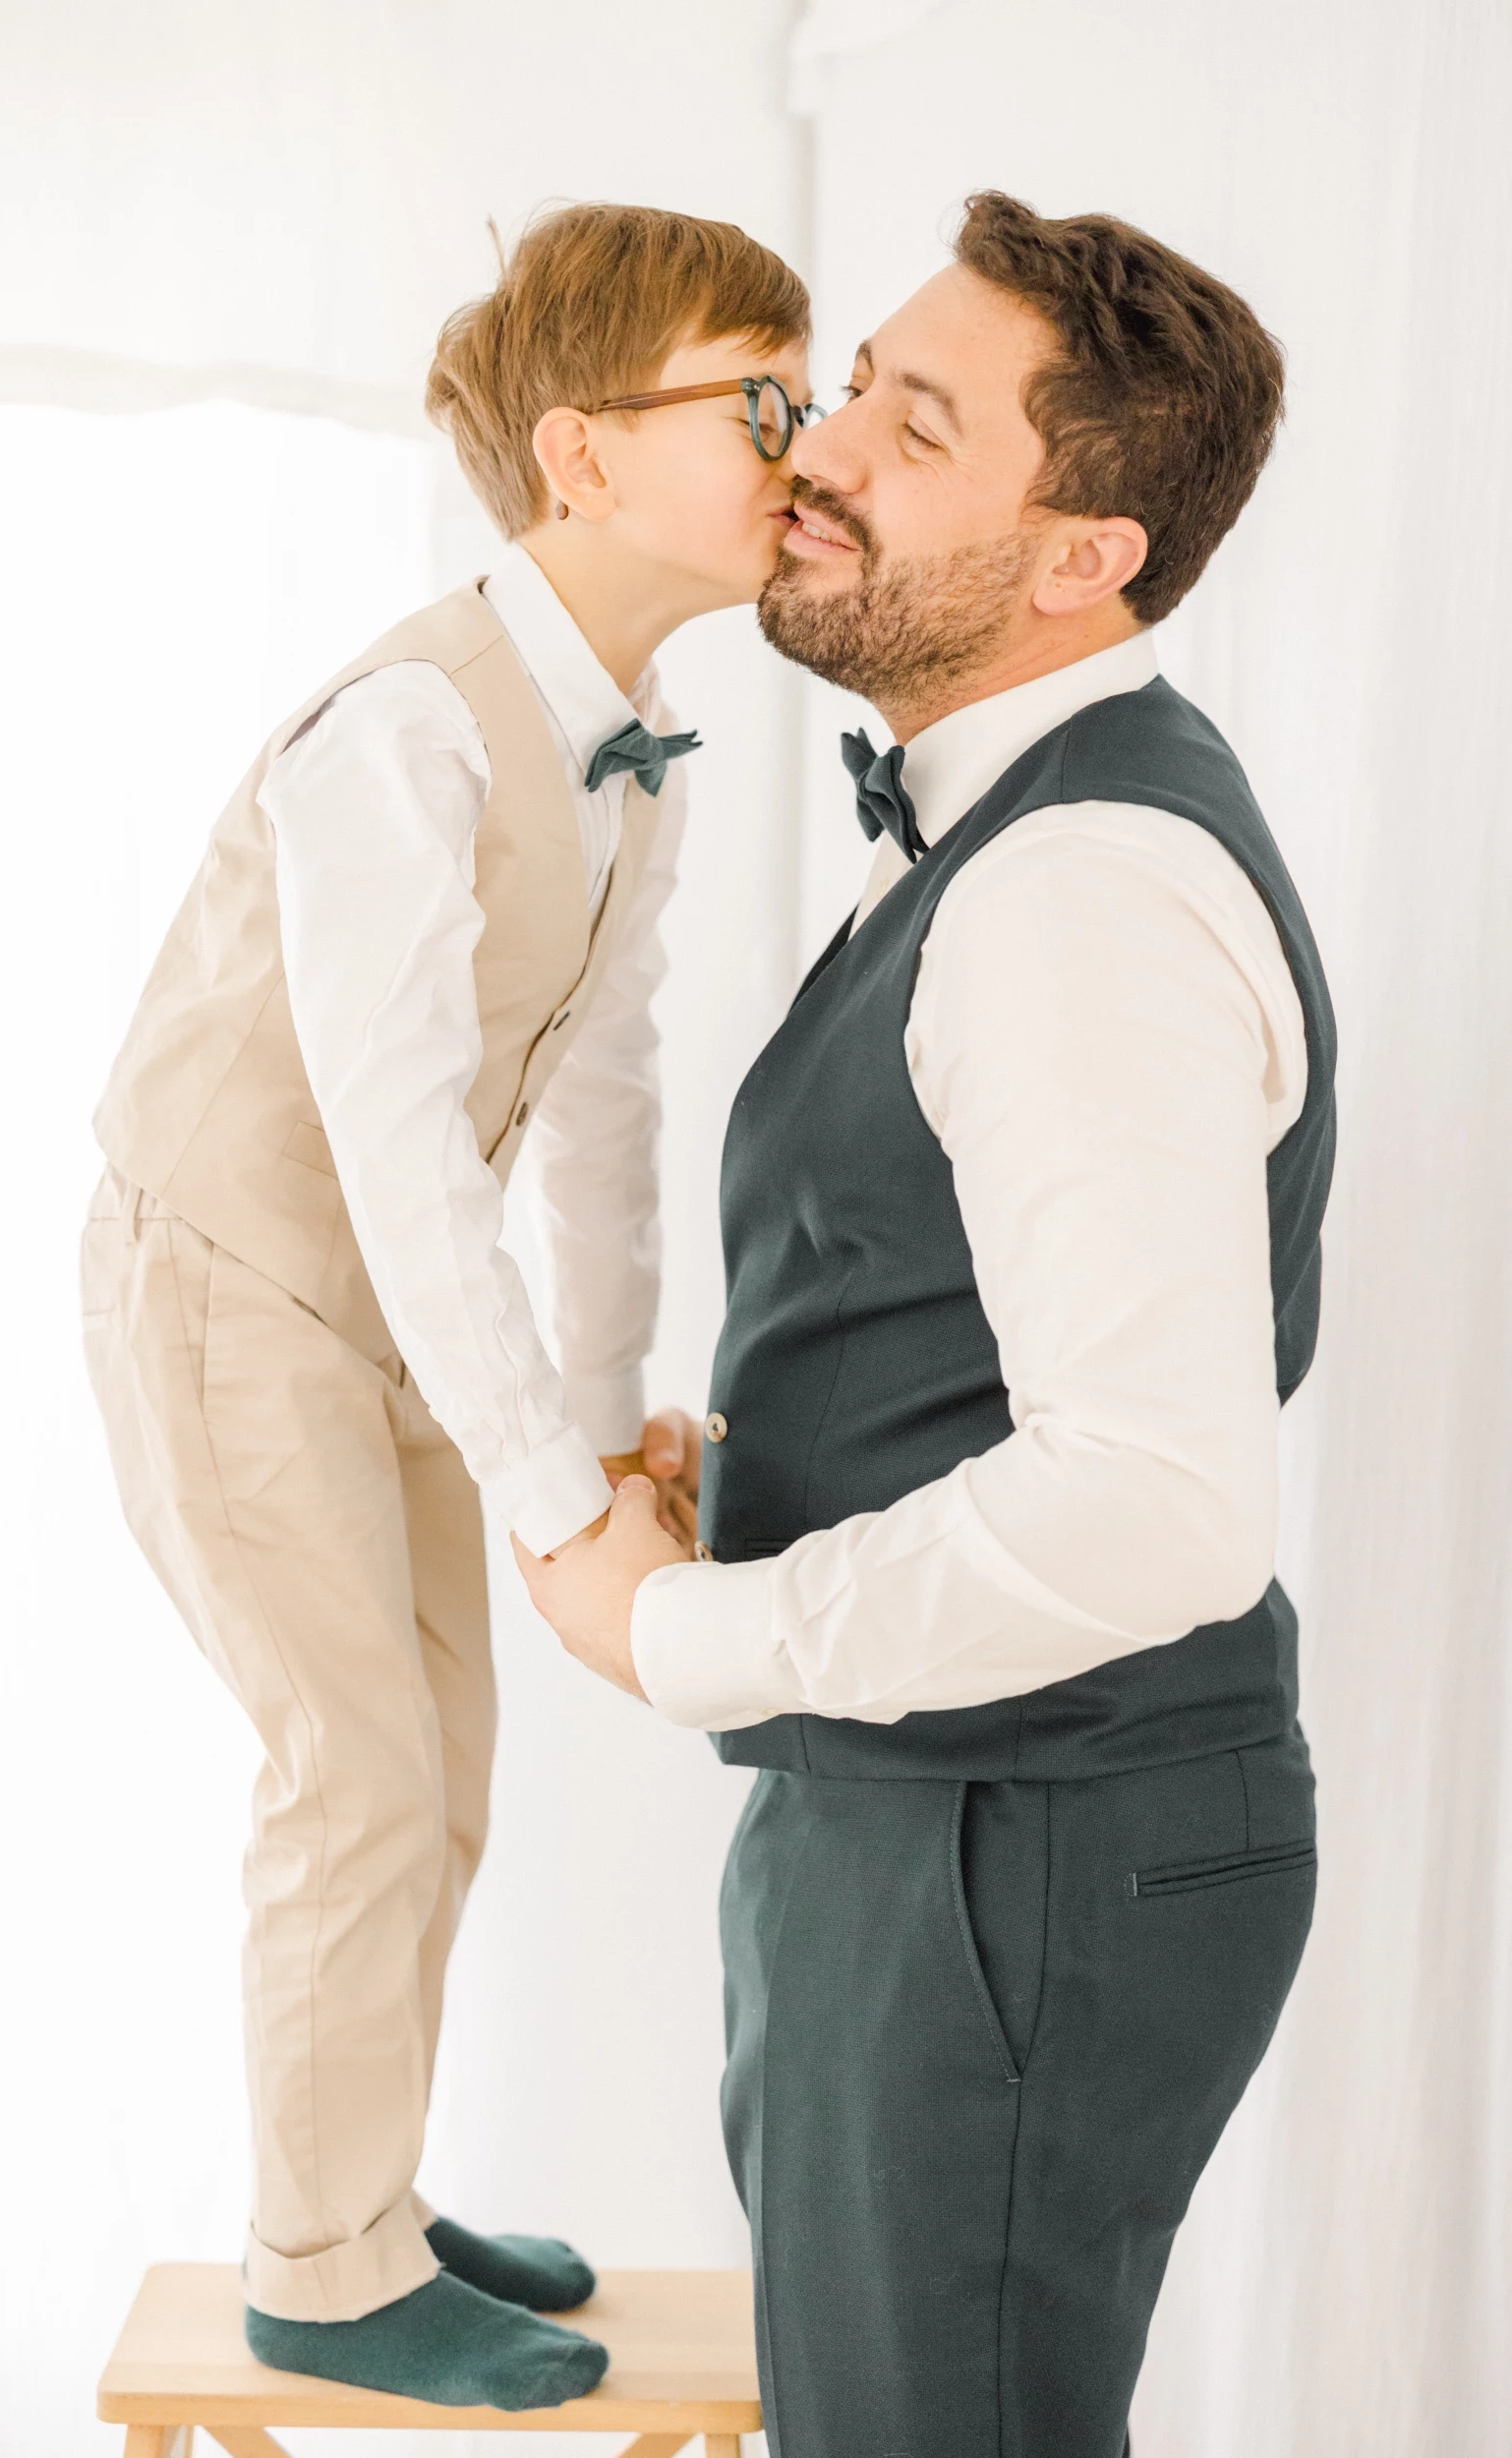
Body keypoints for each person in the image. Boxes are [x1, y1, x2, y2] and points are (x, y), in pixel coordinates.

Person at [518, 191, 1335, 2456]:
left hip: (1016, 1840)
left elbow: (1156, 1501)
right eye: (851, 379)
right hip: (949, 1818)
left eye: (913, 419)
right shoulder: (998, 833)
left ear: (1081, 554)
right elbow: (997, 1334)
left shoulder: (1075, 883)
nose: (817, 446)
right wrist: (771, 1453)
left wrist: (688, 1628)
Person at [81, 201, 811, 2411]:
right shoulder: (408, 726)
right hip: (229, 1281)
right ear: (581, 456)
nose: (805, 439)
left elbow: (597, 1083)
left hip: (390, 1297)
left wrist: (586, 1423)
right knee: (356, 1766)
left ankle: (362, 2192)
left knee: (440, 1762)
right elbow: (399, 1136)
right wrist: (551, 1491)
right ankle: (317, 2262)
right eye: (755, 399)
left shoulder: (637, 738)